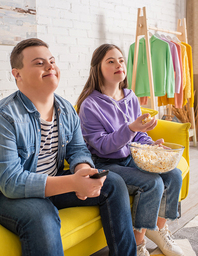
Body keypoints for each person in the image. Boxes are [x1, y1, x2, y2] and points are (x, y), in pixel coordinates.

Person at [0, 38, 137, 256]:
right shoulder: (6, 116)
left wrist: (83, 171)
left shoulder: (65, 108)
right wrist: (72, 182)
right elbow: (11, 182)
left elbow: (78, 150)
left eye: (52, 61)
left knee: (114, 183)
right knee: (41, 217)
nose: (50, 66)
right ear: (17, 74)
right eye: (39, 63)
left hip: (55, 180)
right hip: (13, 195)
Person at [76, 44, 184, 256]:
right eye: (111, 61)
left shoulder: (130, 96)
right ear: (97, 68)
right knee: (152, 183)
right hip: (106, 163)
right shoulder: (90, 105)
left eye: (121, 60)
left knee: (174, 175)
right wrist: (131, 128)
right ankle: (138, 244)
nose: (119, 64)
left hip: (131, 156)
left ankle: (160, 230)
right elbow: (103, 146)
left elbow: (139, 134)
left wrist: (150, 145)